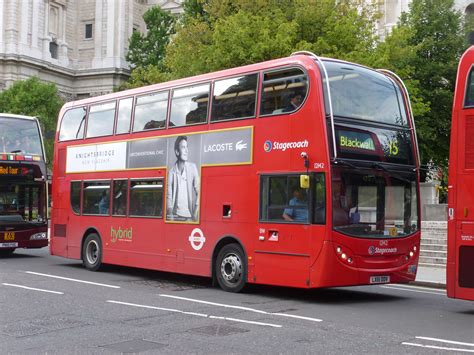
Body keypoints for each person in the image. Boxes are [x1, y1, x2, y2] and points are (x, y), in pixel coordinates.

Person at [166, 136, 200, 221]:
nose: (186, 150)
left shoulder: (193, 168)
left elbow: (200, 191)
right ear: (177, 152)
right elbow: (169, 197)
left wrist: (195, 213)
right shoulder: (171, 172)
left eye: (187, 147)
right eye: (183, 147)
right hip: (175, 216)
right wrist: (171, 218)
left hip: (189, 217)